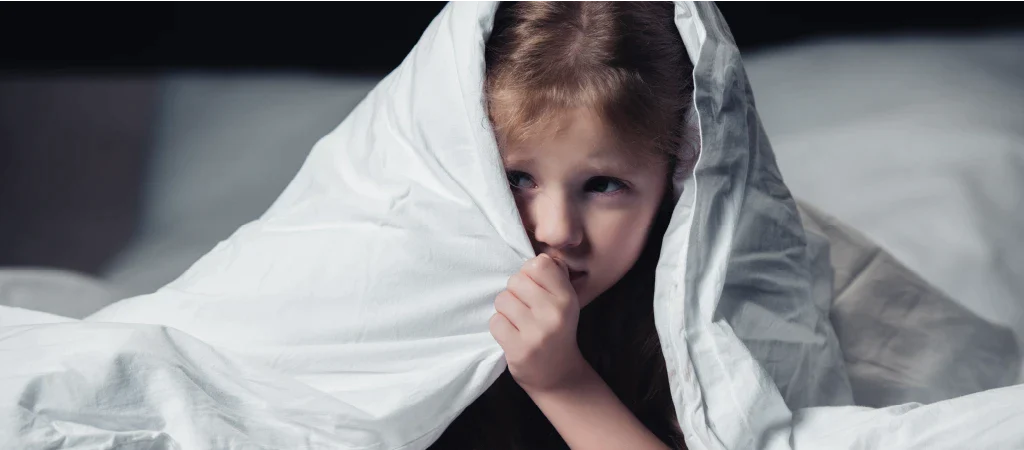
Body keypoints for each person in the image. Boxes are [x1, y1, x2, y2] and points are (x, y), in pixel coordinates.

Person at [431, 0, 695, 448]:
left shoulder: (690, 315)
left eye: (604, 184)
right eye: (516, 178)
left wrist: (561, 383)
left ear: (673, 184)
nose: (555, 231)